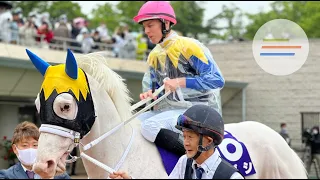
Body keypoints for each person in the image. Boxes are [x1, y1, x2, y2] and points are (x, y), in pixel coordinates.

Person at [133, 1, 225, 157]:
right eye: (144, 27)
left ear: (166, 23)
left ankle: (196, 159)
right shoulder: (155, 55)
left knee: (150, 126)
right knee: (134, 124)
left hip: (199, 110)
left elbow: (217, 79)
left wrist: (180, 82)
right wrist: (150, 94)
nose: (146, 31)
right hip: (171, 111)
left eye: (150, 25)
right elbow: (154, 87)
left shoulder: (189, 46)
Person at [109, 104, 244, 179]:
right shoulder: (184, 163)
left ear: (208, 141)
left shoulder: (232, 178)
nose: (185, 143)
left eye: (190, 137)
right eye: (184, 136)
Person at [0, 121, 70, 179]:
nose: (30, 149)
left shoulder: (58, 175)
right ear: (15, 149)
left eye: (35, 145)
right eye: (25, 145)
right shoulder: (6, 176)